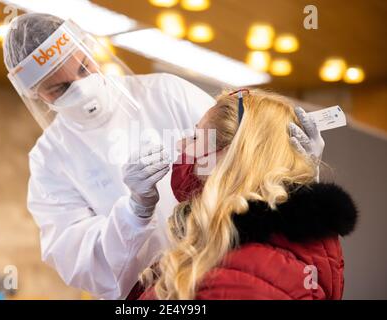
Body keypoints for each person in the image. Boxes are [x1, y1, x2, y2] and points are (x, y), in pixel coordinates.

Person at [3, 13, 325, 299]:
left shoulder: (166, 93)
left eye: (84, 67)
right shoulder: (49, 159)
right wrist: (134, 212)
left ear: (90, 50)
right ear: (35, 94)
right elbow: (82, 263)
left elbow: (243, 158)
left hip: (223, 267)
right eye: (58, 88)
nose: (80, 87)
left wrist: (298, 173)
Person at [140, 89, 357, 300]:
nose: (181, 145)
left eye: (196, 137)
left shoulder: (235, 275)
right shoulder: (286, 250)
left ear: (231, 156)